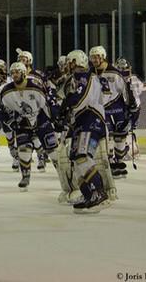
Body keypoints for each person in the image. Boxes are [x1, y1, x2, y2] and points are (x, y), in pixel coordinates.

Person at [59, 50, 112, 213]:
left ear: (77, 61)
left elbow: (80, 98)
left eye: (70, 61)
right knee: (77, 158)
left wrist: (67, 104)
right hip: (82, 122)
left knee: (82, 156)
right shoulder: (77, 78)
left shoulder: (84, 75)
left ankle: (98, 193)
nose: (68, 65)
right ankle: (88, 193)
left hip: (91, 120)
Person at [0, 62, 59, 191]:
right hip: (23, 123)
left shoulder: (36, 87)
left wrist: (54, 118)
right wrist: (10, 120)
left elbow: (46, 104)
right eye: (13, 72)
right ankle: (25, 176)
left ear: (24, 73)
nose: (14, 75)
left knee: (54, 151)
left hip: (41, 120)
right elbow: (5, 110)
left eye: (17, 72)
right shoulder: (6, 91)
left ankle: (64, 176)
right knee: (23, 150)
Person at [89, 46, 131, 178]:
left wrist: (131, 107)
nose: (95, 59)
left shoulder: (114, 72)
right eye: (93, 57)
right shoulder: (90, 73)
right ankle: (110, 162)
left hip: (118, 109)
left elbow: (125, 90)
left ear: (103, 56)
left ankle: (118, 162)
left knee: (120, 137)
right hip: (101, 110)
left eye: (97, 57)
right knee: (106, 136)